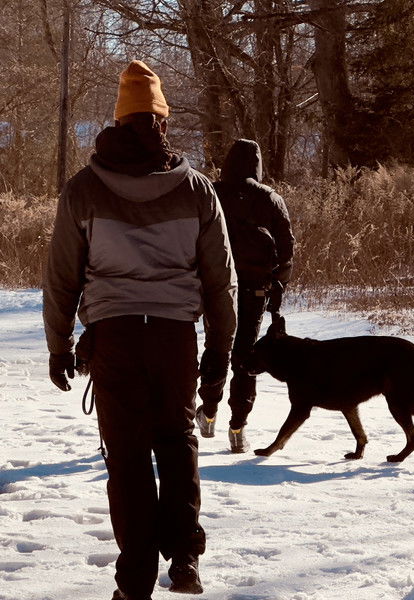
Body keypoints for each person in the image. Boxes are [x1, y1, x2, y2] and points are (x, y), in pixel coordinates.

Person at [43, 60, 237, 600]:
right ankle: (185, 561)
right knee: (177, 441)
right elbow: (221, 281)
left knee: (127, 456)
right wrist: (220, 351)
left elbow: (61, 275)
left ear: (118, 120)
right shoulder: (196, 190)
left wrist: (58, 343)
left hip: (115, 338)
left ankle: (134, 583)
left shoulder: (84, 189)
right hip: (174, 337)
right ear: (162, 122)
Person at [196, 139, 294, 453]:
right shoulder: (270, 198)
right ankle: (238, 428)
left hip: (217, 287)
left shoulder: (211, 192)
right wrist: (278, 288)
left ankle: (208, 412)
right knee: (245, 356)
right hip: (255, 289)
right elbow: (286, 249)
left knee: (217, 347)